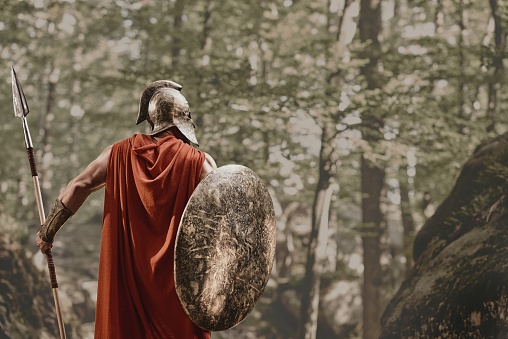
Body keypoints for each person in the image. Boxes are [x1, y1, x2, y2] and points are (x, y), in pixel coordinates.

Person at [35, 80, 217, 338]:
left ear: (152, 120)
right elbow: (222, 221)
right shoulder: (200, 163)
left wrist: (47, 233)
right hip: (177, 294)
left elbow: (78, 186)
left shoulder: (117, 154)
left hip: (125, 292)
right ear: (183, 122)